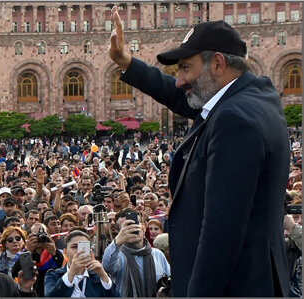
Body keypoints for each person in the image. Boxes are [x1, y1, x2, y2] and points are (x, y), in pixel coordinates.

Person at [108, 6, 290, 296]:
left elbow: (221, 235)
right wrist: (126, 62)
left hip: (235, 286)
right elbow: (182, 97)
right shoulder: (254, 96)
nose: (179, 80)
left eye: (185, 68)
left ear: (217, 63)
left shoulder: (234, 120)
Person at [102, 208, 170, 297]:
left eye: (134, 224)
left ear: (144, 227)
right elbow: (107, 267)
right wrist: (117, 241)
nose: (131, 229)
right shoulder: (117, 255)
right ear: (120, 232)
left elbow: (170, 281)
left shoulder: (157, 254)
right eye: (125, 227)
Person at [44, 230, 118, 297]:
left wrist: (103, 275)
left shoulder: (97, 276)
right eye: (74, 247)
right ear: (65, 252)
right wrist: (71, 273)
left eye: (83, 247)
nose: (79, 251)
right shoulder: (53, 275)